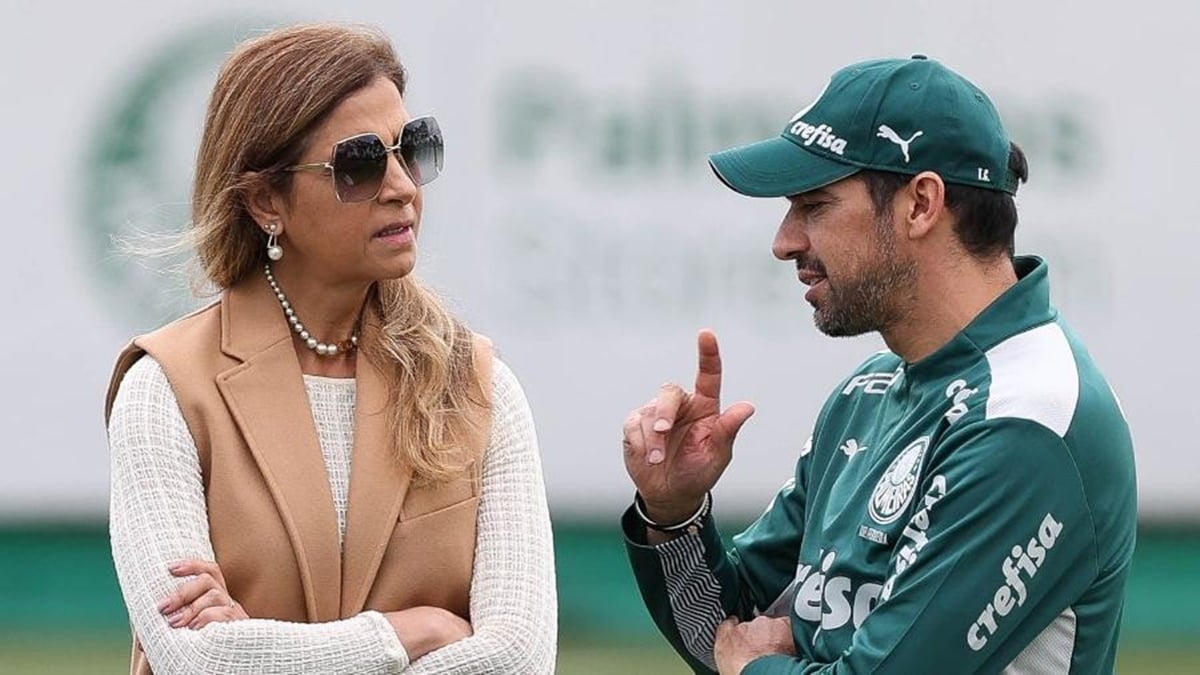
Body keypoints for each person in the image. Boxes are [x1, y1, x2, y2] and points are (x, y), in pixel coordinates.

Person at [620, 56, 1136, 674]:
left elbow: (742, 656)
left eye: (814, 204)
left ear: (921, 204)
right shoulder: (866, 393)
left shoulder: (1026, 421)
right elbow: (727, 629)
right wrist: (674, 515)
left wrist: (751, 669)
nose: (784, 241)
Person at [104, 23, 556, 674]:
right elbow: (199, 659)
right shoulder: (164, 388)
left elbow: (519, 659)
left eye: (414, 148)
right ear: (265, 200)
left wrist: (264, 645)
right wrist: (412, 631)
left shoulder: (480, 385)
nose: (402, 184)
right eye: (361, 164)